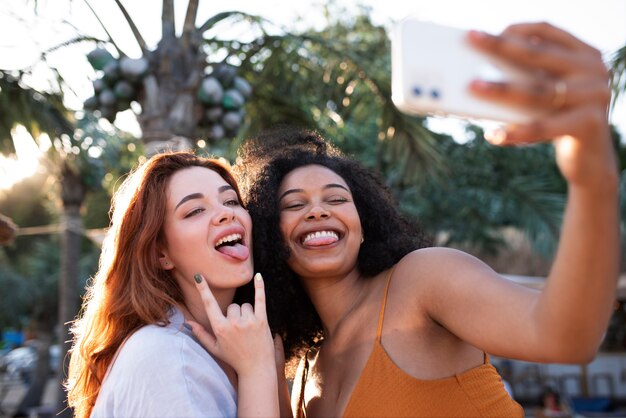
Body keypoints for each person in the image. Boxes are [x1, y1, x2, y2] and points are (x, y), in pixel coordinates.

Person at [234, 22, 619, 417]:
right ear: (269, 236)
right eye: (294, 205)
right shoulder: (303, 372)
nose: (318, 210)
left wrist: (591, 178)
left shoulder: (421, 281)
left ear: (364, 223)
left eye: (336, 198)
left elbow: (564, 337)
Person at [65, 152, 280, 418]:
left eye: (231, 201)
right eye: (195, 210)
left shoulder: (238, 346)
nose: (226, 213)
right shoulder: (166, 358)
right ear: (160, 254)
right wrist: (257, 369)